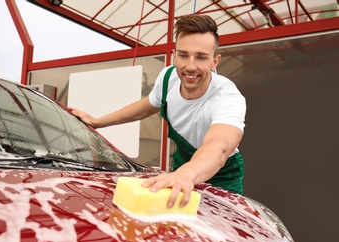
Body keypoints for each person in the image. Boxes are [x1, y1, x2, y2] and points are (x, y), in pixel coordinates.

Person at [68, 14, 246, 209]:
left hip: (221, 177)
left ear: (215, 61)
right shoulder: (168, 77)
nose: (190, 66)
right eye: (183, 55)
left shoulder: (228, 98)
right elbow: (144, 108)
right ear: (174, 55)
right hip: (182, 168)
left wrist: (185, 175)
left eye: (201, 57)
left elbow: (219, 146)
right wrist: (97, 121)